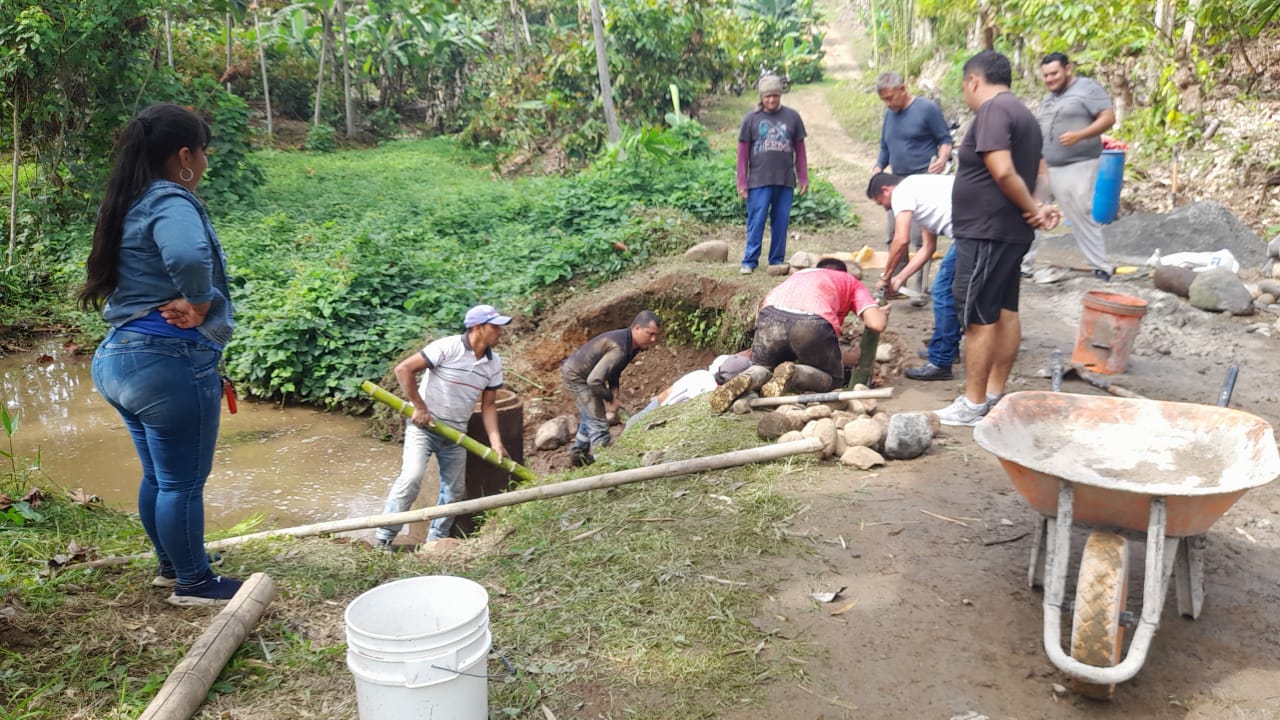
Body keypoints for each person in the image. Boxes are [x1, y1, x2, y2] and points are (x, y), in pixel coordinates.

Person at [80, 103, 242, 607]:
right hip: (165, 362)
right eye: (205, 152)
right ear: (184, 156)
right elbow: (190, 254)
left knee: (161, 477)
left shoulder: (127, 200)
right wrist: (200, 301)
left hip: (120, 358)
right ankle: (194, 583)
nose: (206, 162)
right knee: (183, 484)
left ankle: (172, 566)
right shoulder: (170, 199)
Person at [936, 50, 1056, 427]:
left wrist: (1033, 208)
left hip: (986, 231)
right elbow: (1041, 171)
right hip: (1008, 232)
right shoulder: (1025, 115)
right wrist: (1039, 204)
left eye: (964, 87)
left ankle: (973, 405)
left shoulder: (992, 111)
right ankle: (993, 395)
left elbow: (1003, 172)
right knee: (1005, 312)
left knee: (978, 316)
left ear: (973, 81)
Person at [374, 304, 512, 548]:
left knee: (454, 492)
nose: (500, 332)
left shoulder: (493, 363)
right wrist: (419, 407)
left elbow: (489, 405)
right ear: (478, 328)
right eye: (495, 327)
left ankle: (436, 542)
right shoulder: (447, 347)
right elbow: (403, 369)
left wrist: (496, 443)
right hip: (424, 428)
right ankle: (384, 539)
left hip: (457, 434)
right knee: (411, 479)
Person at [710, 258, 888, 412]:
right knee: (833, 380)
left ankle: (749, 376)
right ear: (843, 272)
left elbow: (768, 304)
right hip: (811, 323)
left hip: (770, 316)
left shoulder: (799, 275)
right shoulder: (849, 281)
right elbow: (876, 324)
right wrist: (882, 313)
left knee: (764, 367)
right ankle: (795, 373)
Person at [1021, 52, 1117, 281]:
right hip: (1045, 165)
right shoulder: (1049, 99)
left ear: (1067, 69)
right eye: (1046, 75)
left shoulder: (1087, 88)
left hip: (1077, 163)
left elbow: (1108, 117)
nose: (1049, 79)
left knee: (1079, 212)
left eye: (1054, 73)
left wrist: (1080, 135)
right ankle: (1023, 264)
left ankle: (1101, 267)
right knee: (1032, 210)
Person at [865, 172, 960, 381]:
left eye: (881, 203)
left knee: (942, 291)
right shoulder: (921, 193)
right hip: (976, 227)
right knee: (950, 291)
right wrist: (899, 278)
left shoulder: (902, 192)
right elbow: (927, 248)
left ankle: (941, 361)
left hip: (974, 231)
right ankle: (947, 349)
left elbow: (901, 240)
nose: (886, 208)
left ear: (886, 190)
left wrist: (886, 276)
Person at [871, 72, 954, 301]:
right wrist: (878, 167)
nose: (888, 104)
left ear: (902, 88)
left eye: (890, 98)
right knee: (895, 235)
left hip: (923, 182)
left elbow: (945, 140)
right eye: (884, 100)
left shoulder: (926, 109)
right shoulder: (889, 115)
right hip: (896, 182)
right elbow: (885, 148)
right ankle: (896, 284)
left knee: (920, 239)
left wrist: (942, 158)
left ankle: (920, 287)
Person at [561, 311, 663, 466]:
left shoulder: (632, 345)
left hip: (587, 374)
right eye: (650, 334)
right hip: (577, 376)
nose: (653, 339)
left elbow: (614, 371)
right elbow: (594, 381)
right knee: (597, 421)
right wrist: (609, 399)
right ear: (637, 328)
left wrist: (614, 394)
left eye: (655, 335)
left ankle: (578, 456)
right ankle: (604, 463)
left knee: (590, 415)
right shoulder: (619, 348)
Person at [737, 74, 808, 275]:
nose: (772, 100)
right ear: (761, 97)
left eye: (775, 96)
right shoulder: (751, 119)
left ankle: (776, 260)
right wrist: (741, 182)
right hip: (759, 180)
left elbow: (800, 150)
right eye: (768, 96)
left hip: (785, 180)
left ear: (780, 95)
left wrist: (803, 177)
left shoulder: (792, 117)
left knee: (781, 221)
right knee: (756, 220)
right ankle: (749, 260)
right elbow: (742, 153)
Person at [623, 354, 752, 431]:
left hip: (659, 405)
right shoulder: (713, 395)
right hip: (664, 419)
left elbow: (666, 393)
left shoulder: (701, 374)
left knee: (631, 427)